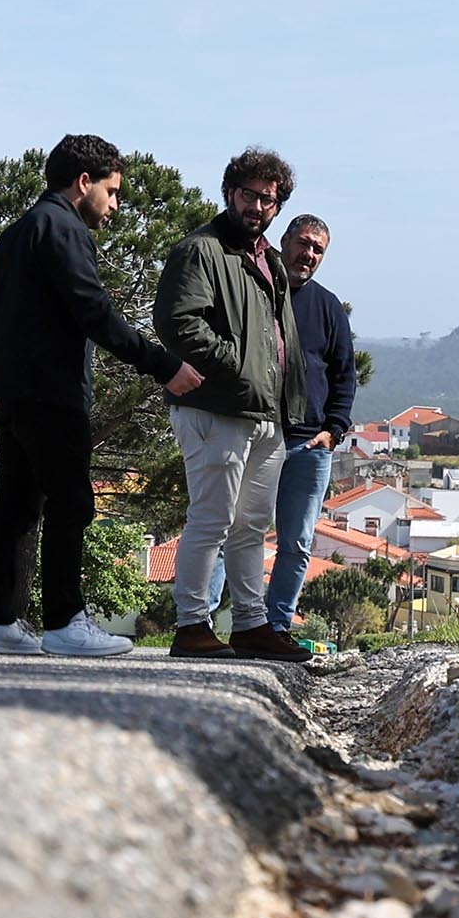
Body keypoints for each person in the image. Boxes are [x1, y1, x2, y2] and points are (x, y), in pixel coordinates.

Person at [0, 133, 203, 656]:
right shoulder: (63, 228)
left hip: (12, 394)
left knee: (16, 506)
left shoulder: (15, 233)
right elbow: (94, 312)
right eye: (112, 191)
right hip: (51, 394)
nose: (115, 205)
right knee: (71, 503)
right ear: (84, 182)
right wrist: (164, 365)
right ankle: (64, 621)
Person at [154, 148, 309, 662]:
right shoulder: (200, 250)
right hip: (215, 407)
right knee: (211, 519)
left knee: (251, 527)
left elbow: (279, 337)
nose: (258, 206)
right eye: (249, 195)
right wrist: (237, 366)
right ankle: (191, 625)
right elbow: (177, 323)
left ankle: (251, 624)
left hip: (265, 414)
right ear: (229, 193)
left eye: (269, 199)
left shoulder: (270, 260)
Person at [204, 214, 356, 643]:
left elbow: (344, 375)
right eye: (303, 243)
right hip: (255, 432)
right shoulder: (256, 291)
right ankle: (205, 624)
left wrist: (333, 431)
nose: (308, 254)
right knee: (229, 529)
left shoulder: (329, 307)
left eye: (318, 249)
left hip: (310, 445)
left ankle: (275, 627)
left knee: (297, 543)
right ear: (284, 241)